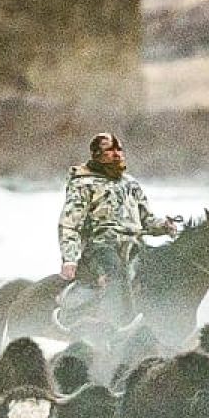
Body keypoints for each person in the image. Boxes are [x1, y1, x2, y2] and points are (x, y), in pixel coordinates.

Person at [57, 132, 178, 328]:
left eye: (119, 149)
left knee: (163, 270)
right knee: (116, 275)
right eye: (110, 150)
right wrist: (69, 259)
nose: (117, 154)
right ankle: (110, 327)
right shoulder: (83, 183)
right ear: (97, 154)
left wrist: (164, 226)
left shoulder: (130, 183)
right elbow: (70, 224)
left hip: (134, 244)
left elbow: (146, 219)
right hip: (100, 247)